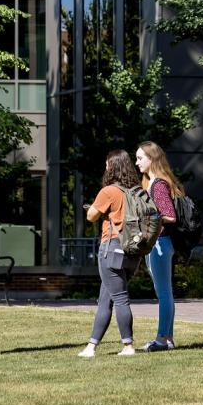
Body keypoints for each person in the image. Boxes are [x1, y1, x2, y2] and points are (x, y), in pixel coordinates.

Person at [77, 150, 142, 358]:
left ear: (112, 167)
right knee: (105, 299)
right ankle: (91, 346)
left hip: (112, 250)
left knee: (120, 299)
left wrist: (99, 209)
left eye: (107, 164)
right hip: (133, 252)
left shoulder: (109, 191)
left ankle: (128, 345)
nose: (105, 167)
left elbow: (91, 216)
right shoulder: (136, 191)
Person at [136, 140, 181, 352]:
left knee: (163, 293)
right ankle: (167, 338)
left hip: (160, 244)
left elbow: (170, 216)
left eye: (140, 158)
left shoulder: (158, 185)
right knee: (164, 292)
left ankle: (162, 339)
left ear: (152, 159)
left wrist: (151, 219)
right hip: (159, 243)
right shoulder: (152, 183)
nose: (137, 163)